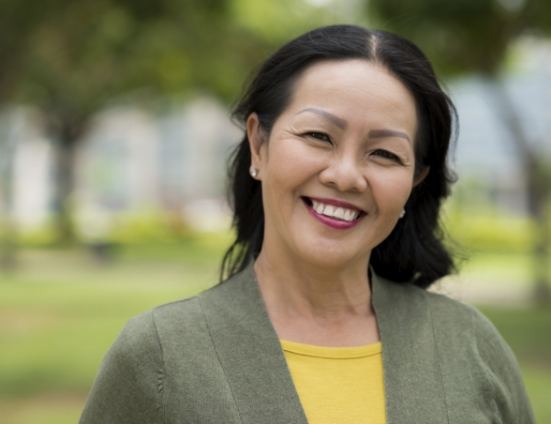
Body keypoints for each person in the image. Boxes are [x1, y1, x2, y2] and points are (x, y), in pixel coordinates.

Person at [79, 24, 534, 424]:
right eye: (319, 137)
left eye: (384, 154)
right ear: (259, 145)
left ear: (414, 183)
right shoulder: (158, 356)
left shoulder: (470, 346)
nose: (345, 175)